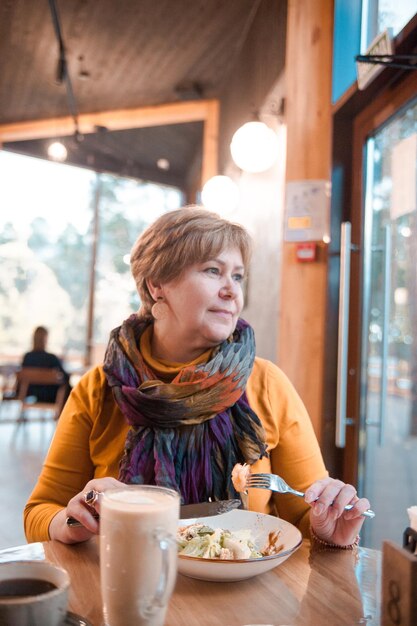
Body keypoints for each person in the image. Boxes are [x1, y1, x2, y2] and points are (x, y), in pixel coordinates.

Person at [24, 206, 370, 548]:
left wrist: (327, 527)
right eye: (212, 270)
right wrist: (74, 520)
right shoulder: (98, 388)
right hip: (126, 583)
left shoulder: (267, 383)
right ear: (157, 285)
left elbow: (304, 518)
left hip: (242, 593)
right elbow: (40, 513)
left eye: (237, 276)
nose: (232, 292)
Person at [20, 326, 71, 403]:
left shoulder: (27, 357)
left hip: (29, 392)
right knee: (67, 387)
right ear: (46, 339)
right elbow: (66, 376)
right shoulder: (51, 358)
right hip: (49, 395)